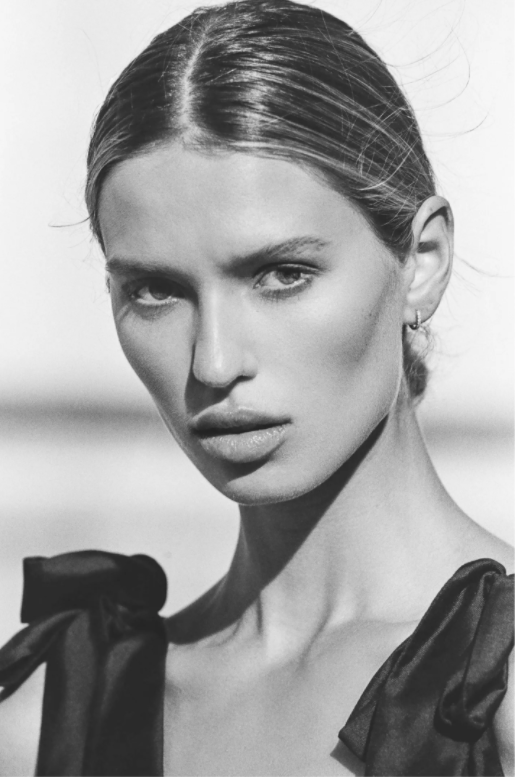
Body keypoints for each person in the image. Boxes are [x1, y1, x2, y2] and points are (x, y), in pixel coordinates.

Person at [0, 0, 514, 775]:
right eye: (155, 291)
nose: (212, 362)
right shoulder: (50, 717)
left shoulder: (499, 694)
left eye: (282, 274)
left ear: (422, 262)